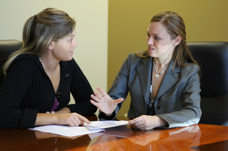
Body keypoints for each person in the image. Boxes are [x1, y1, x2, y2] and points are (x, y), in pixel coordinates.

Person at [90, 11, 201, 130]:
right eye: (148, 35)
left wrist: (158, 121)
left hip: (171, 139)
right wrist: (109, 112)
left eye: (157, 38)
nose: (149, 42)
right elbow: (114, 100)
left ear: (177, 40)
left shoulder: (189, 71)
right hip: (136, 137)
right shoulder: (133, 61)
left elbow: (193, 112)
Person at [0, 8, 97, 128]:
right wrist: (54, 118)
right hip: (21, 141)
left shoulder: (67, 63)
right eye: (70, 39)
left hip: (52, 140)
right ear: (50, 43)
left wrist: (64, 112)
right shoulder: (24, 66)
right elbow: (3, 114)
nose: (75, 44)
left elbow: (90, 102)